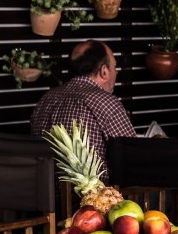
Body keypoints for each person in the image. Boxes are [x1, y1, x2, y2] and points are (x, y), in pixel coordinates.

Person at [31, 40, 137, 182]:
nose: (116, 72)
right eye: (114, 67)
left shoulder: (45, 100)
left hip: (44, 192)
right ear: (104, 71)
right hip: (95, 194)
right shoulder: (105, 102)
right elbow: (133, 158)